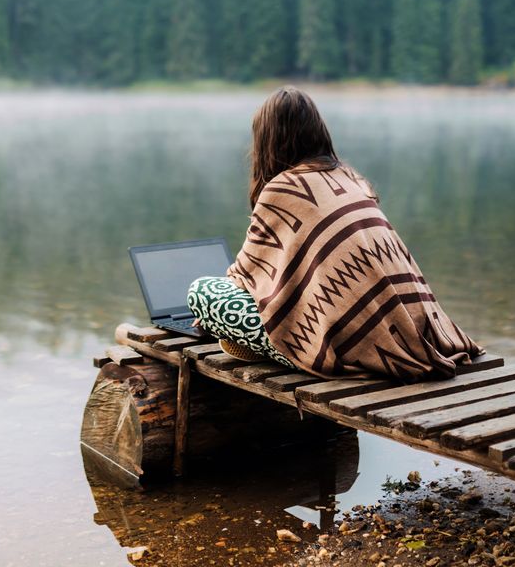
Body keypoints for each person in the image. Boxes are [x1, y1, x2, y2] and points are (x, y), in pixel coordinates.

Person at [186, 86, 482, 379]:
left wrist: (212, 317)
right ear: (317, 131)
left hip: (337, 346)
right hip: (403, 331)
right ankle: (256, 341)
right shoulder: (350, 178)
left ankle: (266, 344)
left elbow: (244, 275)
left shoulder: (282, 189)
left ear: (267, 141)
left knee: (202, 292)